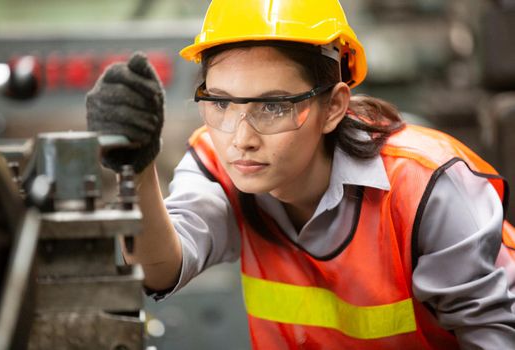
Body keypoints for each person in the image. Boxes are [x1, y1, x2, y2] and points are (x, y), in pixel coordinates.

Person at [86, 0, 515, 348]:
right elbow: (161, 268)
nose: (241, 138)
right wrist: (136, 167)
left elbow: (495, 335)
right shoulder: (217, 163)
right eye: (220, 103)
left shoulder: (424, 186)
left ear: (333, 107)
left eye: (273, 106)